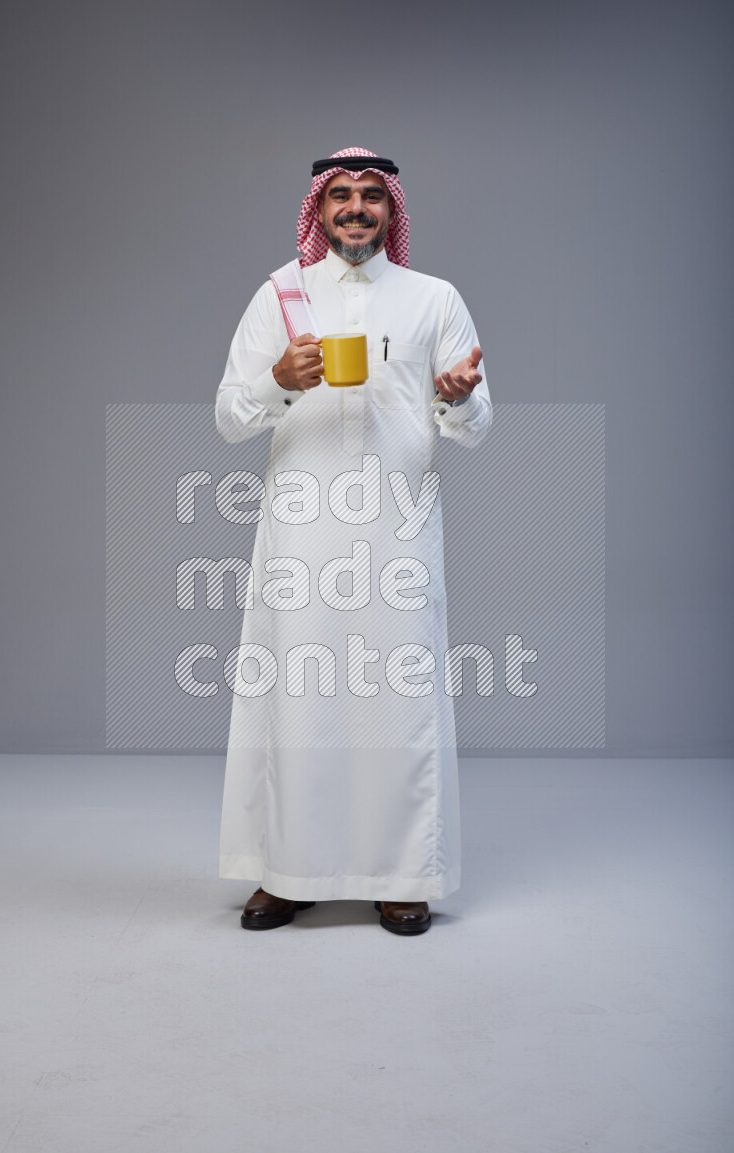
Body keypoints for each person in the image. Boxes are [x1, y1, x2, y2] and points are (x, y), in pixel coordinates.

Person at [214, 147, 492, 935]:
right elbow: (229, 415)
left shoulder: (434, 299)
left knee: (395, 700)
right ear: (319, 208)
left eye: (373, 196)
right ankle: (288, 871)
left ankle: (402, 874)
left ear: (393, 210)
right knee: (297, 700)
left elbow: (476, 426)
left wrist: (458, 397)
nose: (357, 208)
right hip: (301, 534)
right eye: (341, 195)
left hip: (398, 533)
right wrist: (278, 381)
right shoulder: (281, 293)